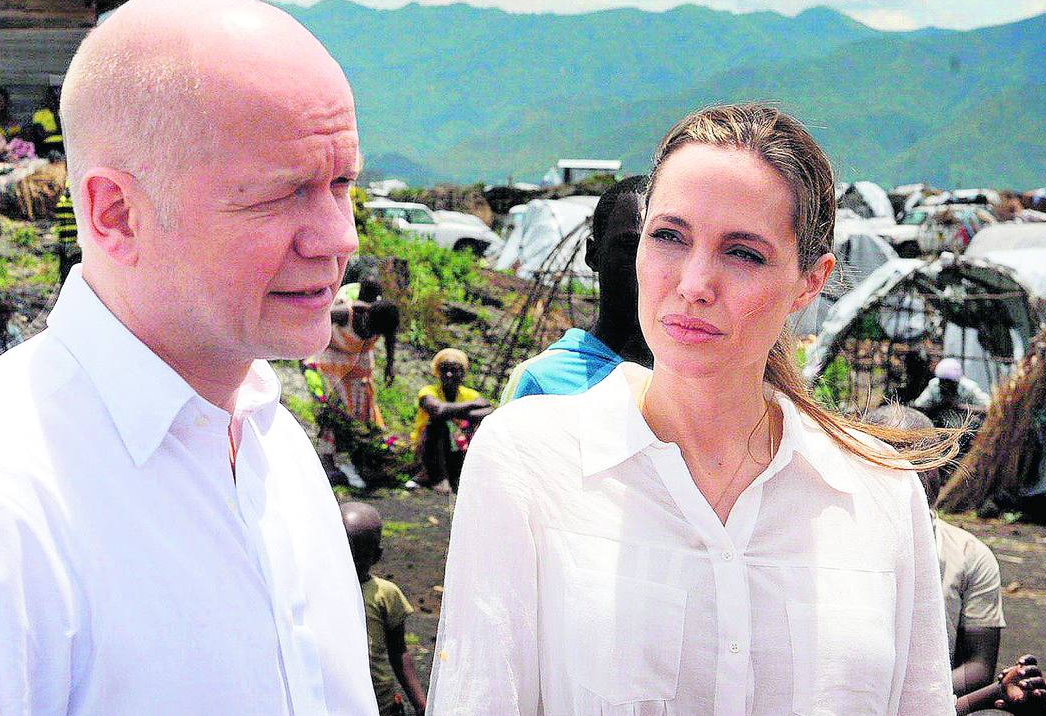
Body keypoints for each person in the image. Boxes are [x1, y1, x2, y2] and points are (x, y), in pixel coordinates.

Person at [0, 0, 374, 714]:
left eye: (341, 184)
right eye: (278, 195)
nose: (338, 237)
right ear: (115, 215)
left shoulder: (272, 445)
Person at [428, 104, 957, 713]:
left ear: (810, 283)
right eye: (669, 238)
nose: (694, 282)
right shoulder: (529, 461)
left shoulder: (877, 493)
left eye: (744, 253)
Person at [864, 405, 1004, 700]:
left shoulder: (969, 556)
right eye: (889, 459)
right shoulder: (825, 544)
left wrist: (912, 698)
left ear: (940, 473)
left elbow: (979, 666)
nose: (907, 474)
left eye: (921, 461)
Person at [500, 174, 653, 400]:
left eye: (664, 244)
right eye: (630, 248)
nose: (645, 264)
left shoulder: (698, 377)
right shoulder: (544, 382)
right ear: (592, 254)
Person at [307, 277, 398, 488]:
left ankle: (358, 458)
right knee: (336, 412)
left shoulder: (385, 318)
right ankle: (328, 460)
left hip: (360, 370)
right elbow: (316, 319)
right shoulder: (344, 313)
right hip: (333, 364)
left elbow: (391, 338)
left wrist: (390, 366)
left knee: (361, 412)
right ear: (367, 314)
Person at [343, 502, 427, 716]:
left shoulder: (386, 594)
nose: (350, 563)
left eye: (358, 556)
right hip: (337, 702)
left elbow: (398, 651)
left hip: (381, 704)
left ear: (376, 556)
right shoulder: (318, 591)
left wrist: (421, 703)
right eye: (344, 553)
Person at [413, 348, 492, 493]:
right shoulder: (428, 391)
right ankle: (438, 478)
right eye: (444, 369)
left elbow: (488, 412)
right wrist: (472, 406)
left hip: (457, 447)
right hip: (429, 448)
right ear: (437, 372)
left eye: (454, 370)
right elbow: (437, 410)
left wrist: (452, 411)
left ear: (462, 373)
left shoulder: (469, 394)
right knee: (437, 423)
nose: (449, 374)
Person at [913, 356, 991, 427]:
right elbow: (918, 407)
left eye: (949, 383)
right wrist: (939, 406)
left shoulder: (969, 388)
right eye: (942, 382)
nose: (945, 386)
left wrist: (960, 407)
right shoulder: (934, 385)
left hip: (965, 429)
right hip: (939, 427)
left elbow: (988, 408)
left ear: (956, 382)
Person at [31, 84, 65, 159]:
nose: (55, 100)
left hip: (64, 146)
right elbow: (41, 135)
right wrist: (57, 132)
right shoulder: (39, 114)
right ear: (48, 99)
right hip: (48, 146)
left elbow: (67, 134)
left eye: (57, 98)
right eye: (53, 98)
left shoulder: (65, 114)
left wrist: (56, 113)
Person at [54, 189, 80, 281]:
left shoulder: (65, 200)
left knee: (70, 268)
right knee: (65, 270)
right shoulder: (64, 200)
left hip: (73, 242)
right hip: (65, 240)